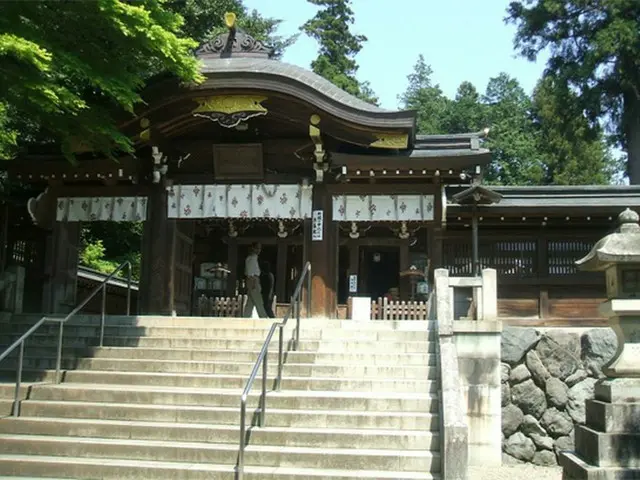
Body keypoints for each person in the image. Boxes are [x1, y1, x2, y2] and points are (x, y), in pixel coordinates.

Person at [243, 242, 268, 318]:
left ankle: (246, 317)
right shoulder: (252, 258)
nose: (259, 250)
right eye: (257, 248)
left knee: (250, 302)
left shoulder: (251, 258)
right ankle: (263, 316)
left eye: (259, 248)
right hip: (253, 279)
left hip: (253, 279)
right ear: (253, 248)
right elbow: (250, 272)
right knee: (258, 300)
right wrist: (254, 283)